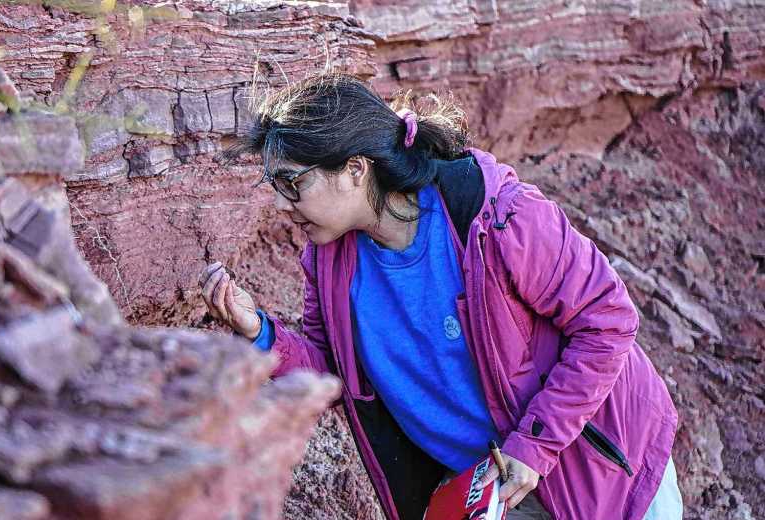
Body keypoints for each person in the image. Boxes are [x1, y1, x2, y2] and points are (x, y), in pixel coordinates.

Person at [198, 72, 682, 520]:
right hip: (491, 489)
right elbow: (332, 372)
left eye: (293, 182)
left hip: (606, 470)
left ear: (354, 170)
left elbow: (608, 320)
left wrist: (533, 446)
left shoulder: (497, 219)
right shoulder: (328, 264)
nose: (281, 203)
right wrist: (260, 332)